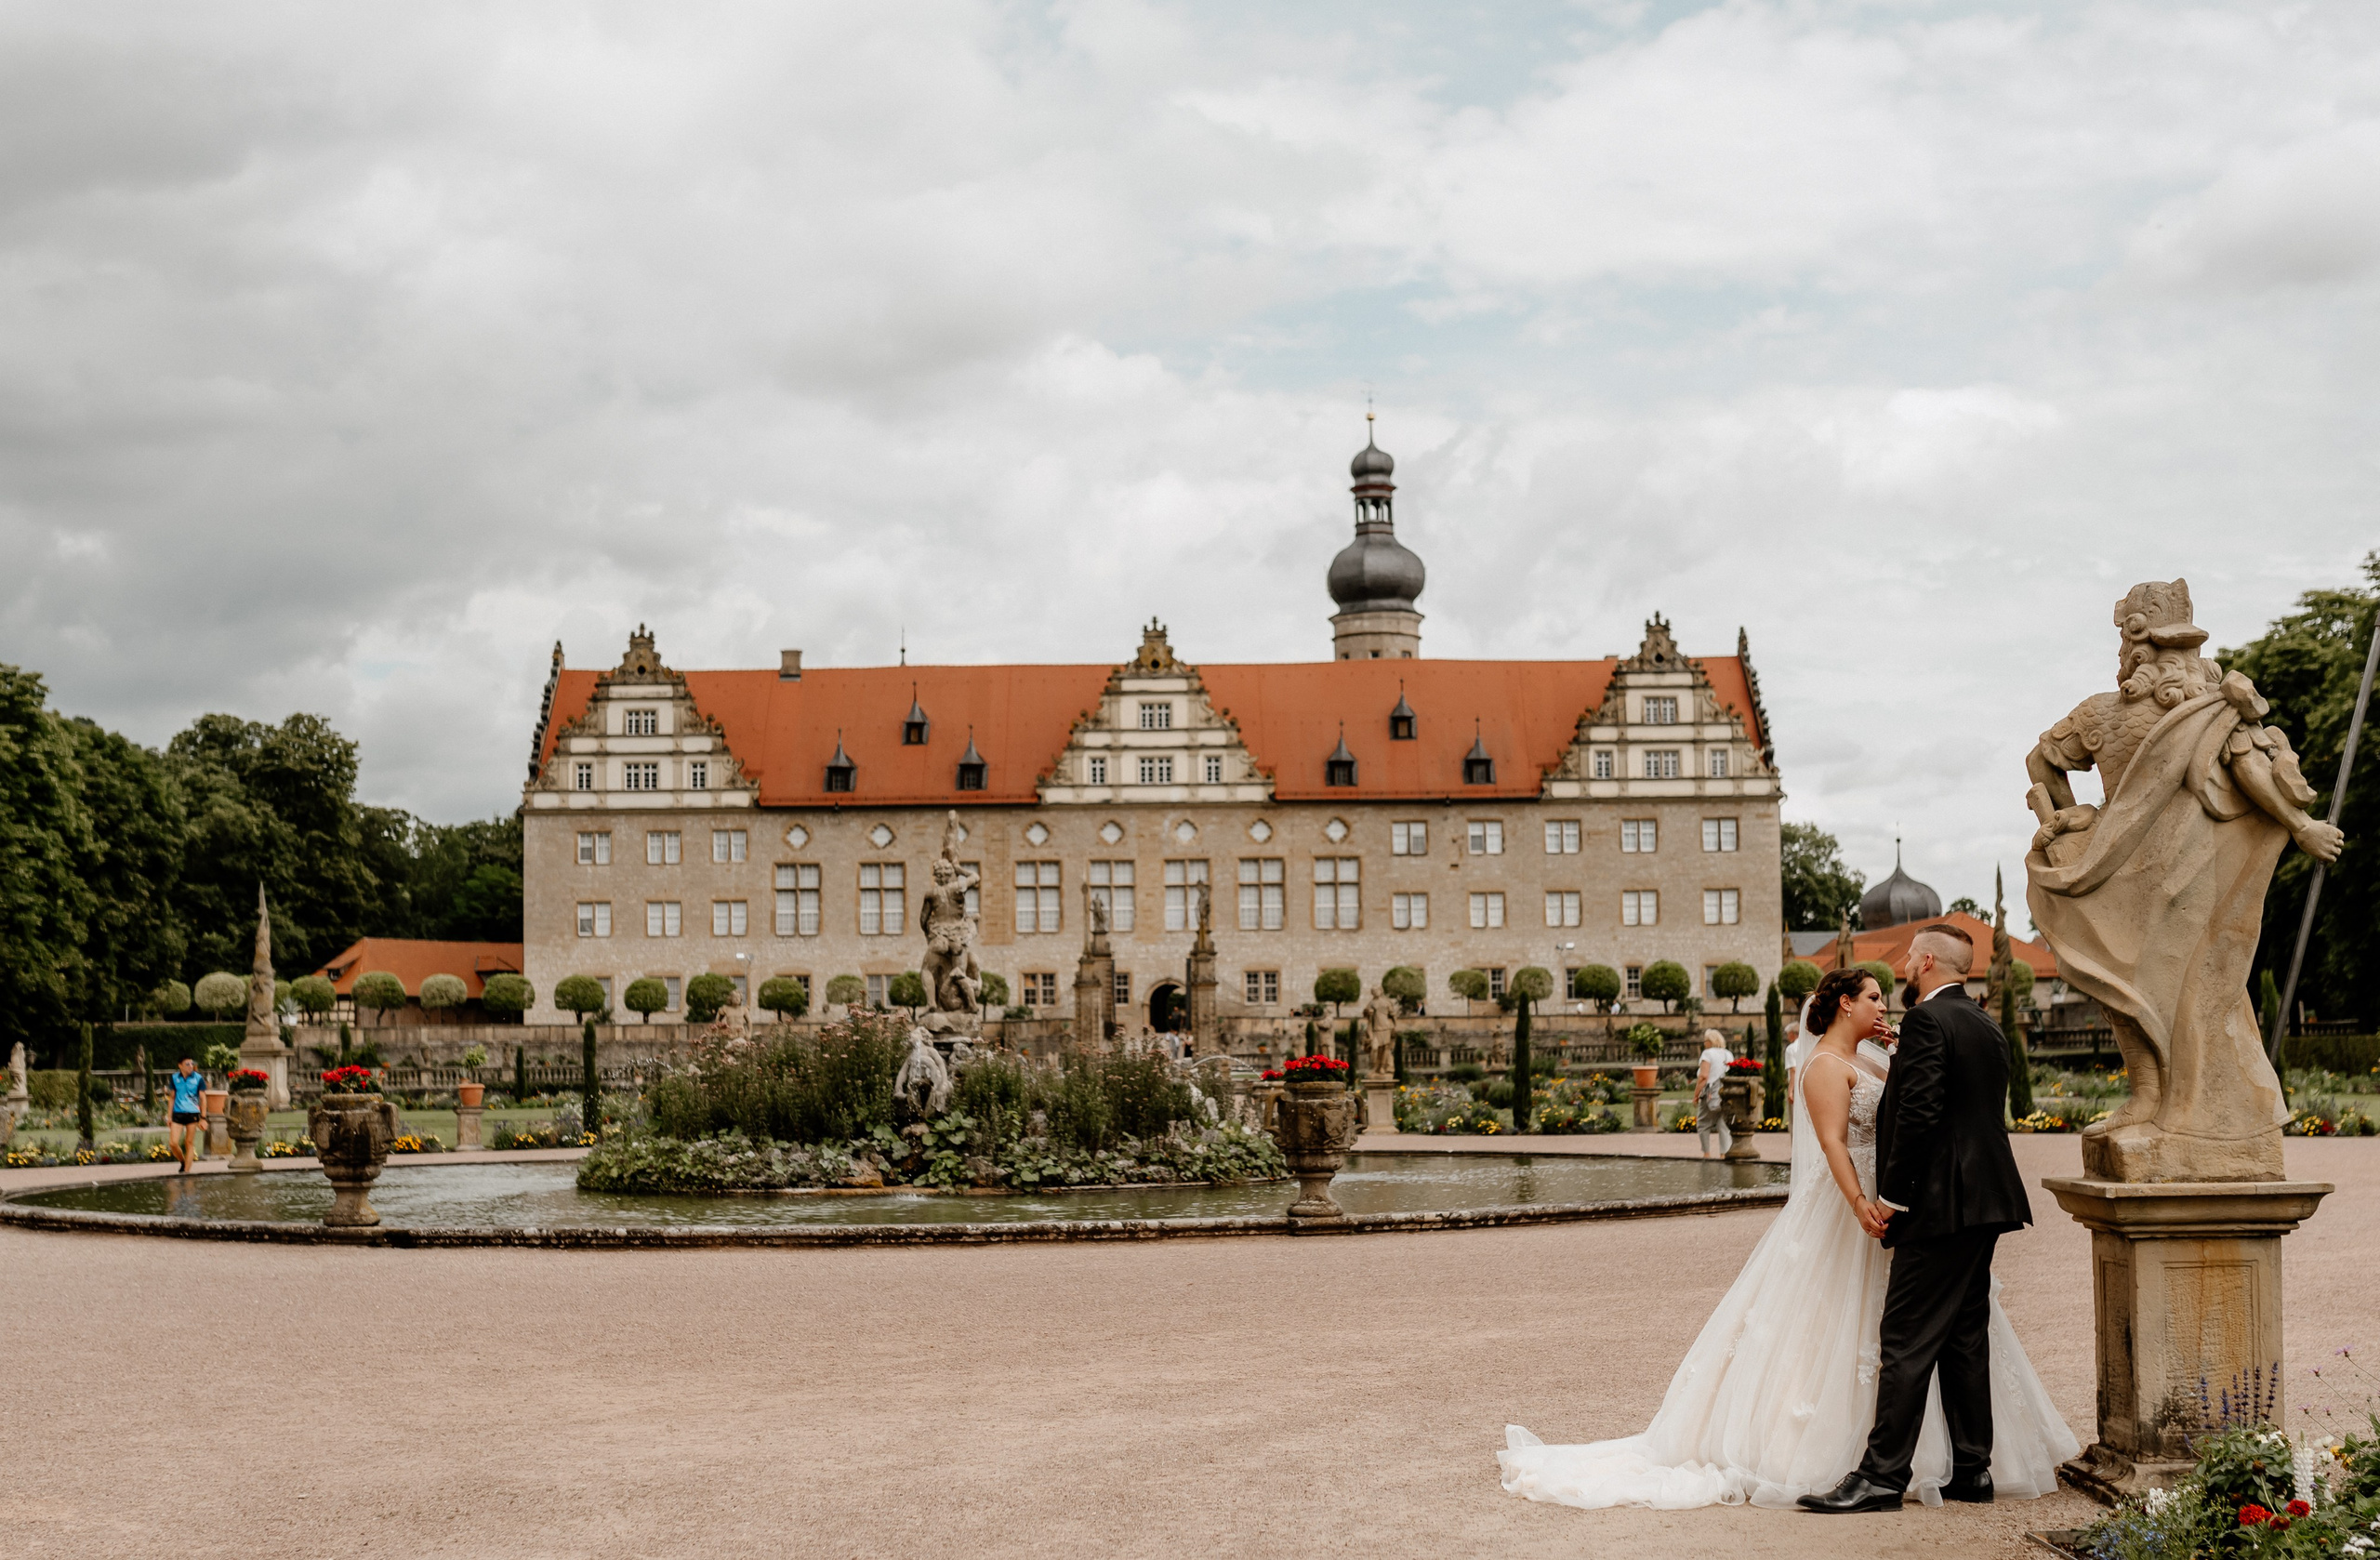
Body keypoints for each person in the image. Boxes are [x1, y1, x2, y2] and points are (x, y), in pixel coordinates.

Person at [1497, 962, 2075, 1511]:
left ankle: (1939, 1464)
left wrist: (1899, 1054)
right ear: (1845, 1004)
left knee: (1935, 1330)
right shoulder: (1824, 1065)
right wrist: (1860, 1202)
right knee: (1878, 1330)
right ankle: (1891, 1462)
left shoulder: (1880, 1055)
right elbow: (1833, 1144)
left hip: (1907, 1204)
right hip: (1860, 1202)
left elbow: (1917, 1103)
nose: (1883, 1006)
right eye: (1873, 997)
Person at [1798, 924, 2047, 1514]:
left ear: (1928, 961)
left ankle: (1880, 1477)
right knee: (1963, 1337)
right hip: (1986, 1201)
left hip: (1940, 1206)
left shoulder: (1930, 1021)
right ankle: (1973, 1471)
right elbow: (1969, 1110)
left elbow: (1920, 1114)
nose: (1904, 965)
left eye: (1911, 956)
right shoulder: (1983, 1021)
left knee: (1905, 1337)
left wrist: (1891, 1198)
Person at [1695, 1030, 1733, 1158]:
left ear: (1710, 1042)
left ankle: (1707, 1153)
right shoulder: (1728, 1054)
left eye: (1705, 1041)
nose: (1704, 1044)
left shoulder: (1707, 1053)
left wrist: (1696, 1095)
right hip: (1726, 1092)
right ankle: (1724, 1154)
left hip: (1710, 1092)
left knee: (1703, 1123)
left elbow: (1703, 1076)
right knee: (1723, 1124)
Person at [166, 1057, 205, 1173]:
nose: (190, 1066)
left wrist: (203, 1118)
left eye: (191, 1064)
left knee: (189, 1142)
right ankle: (183, 1161)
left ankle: (186, 1172)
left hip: (192, 1113)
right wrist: (169, 1116)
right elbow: (172, 1098)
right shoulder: (175, 1078)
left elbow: (203, 1099)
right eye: (187, 1064)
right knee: (173, 1143)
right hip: (177, 1113)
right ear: (180, 1066)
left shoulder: (198, 1078)